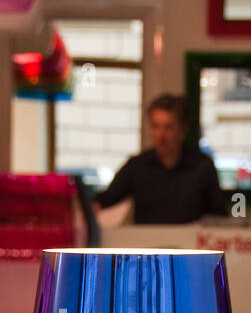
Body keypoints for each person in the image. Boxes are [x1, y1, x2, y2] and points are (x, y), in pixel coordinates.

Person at [94, 93, 228, 226]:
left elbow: (218, 215)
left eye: (168, 128)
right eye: (155, 127)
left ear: (182, 130)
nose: (161, 135)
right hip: (146, 243)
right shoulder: (137, 165)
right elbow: (107, 198)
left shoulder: (202, 166)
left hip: (190, 243)